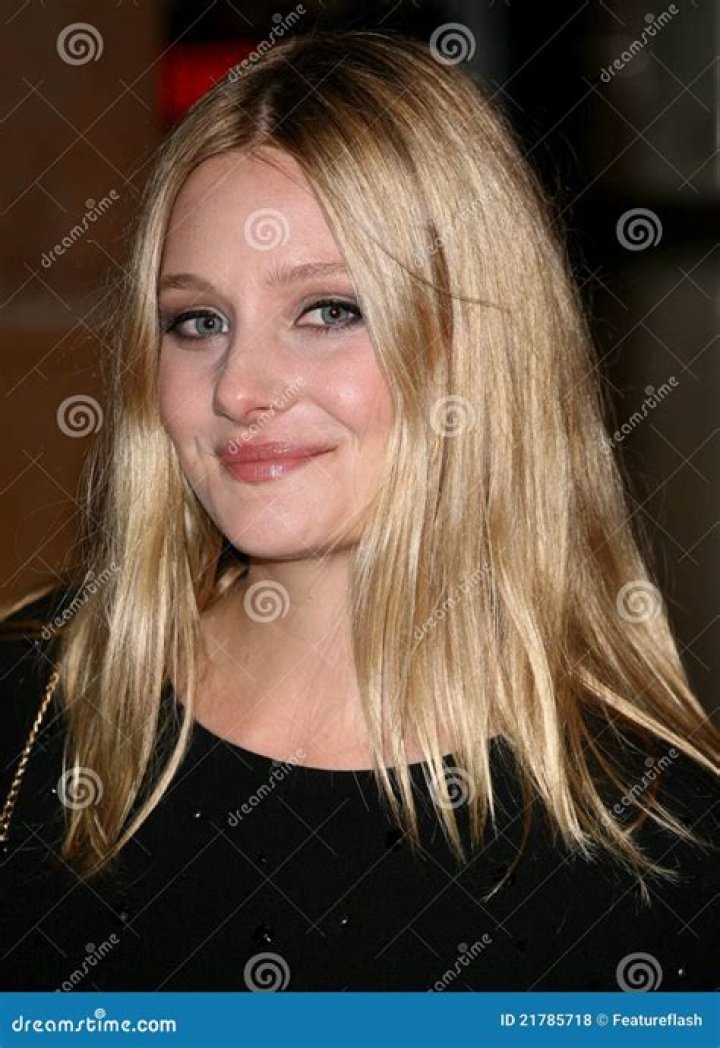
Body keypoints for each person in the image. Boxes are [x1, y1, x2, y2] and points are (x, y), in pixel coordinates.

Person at [0, 29, 717, 993]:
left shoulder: (666, 845)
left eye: (328, 310)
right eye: (197, 321)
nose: (239, 388)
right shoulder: (29, 711)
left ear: (478, 349)